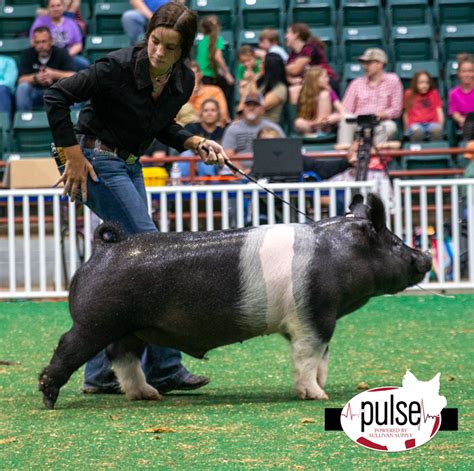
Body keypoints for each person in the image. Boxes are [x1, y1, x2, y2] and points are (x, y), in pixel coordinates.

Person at [44, 2, 229, 395]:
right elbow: (56, 97)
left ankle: (99, 374)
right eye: (154, 41)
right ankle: (165, 368)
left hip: (129, 165)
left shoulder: (183, 82)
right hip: (94, 159)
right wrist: (71, 154)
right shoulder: (115, 66)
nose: (158, 51)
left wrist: (195, 140)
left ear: (184, 51)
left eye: (169, 47)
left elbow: (161, 127)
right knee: (153, 255)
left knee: (125, 266)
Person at [338, 48, 403, 147]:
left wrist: (379, 115)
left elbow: (396, 110)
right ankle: (344, 155)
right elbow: (346, 110)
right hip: (358, 122)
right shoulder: (356, 83)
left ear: (380, 64)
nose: (365, 67)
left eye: (368, 63)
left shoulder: (393, 80)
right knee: (346, 119)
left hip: (380, 122)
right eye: (364, 63)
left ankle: (375, 159)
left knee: (390, 126)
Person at [257, 126, 350, 180]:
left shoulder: (295, 160)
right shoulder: (257, 168)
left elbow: (323, 168)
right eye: (265, 143)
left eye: (274, 142)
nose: (270, 147)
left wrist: (347, 162)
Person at [16, 26, 75, 112]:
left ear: (51, 41)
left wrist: (54, 74)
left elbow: (73, 75)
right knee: (22, 87)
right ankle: (24, 120)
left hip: (57, 91)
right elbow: (21, 79)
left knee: (73, 87)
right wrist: (36, 78)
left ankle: (74, 122)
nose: (41, 46)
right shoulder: (27, 54)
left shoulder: (61, 53)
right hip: (35, 92)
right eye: (37, 42)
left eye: (44, 42)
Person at [221, 93, 284, 168]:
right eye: (248, 105)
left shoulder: (273, 127)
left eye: (255, 105)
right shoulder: (233, 129)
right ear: (243, 108)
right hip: (238, 174)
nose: (251, 108)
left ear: (262, 109)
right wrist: (242, 173)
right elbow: (228, 155)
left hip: (268, 170)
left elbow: (283, 152)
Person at [285, 23, 338, 103]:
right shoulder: (293, 54)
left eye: (288, 33)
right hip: (307, 82)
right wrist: (291, 79)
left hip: (324, 80)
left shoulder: (309, 48)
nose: (286, 36)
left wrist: (280, 67)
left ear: (296, 35)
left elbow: (295, 70)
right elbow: (287, 73)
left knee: (294, 91)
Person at [30, 0, 89, 71]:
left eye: (58, 6)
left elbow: (78, 44)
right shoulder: (40, 21)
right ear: (48, 8)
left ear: (63, 8)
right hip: (45, 56)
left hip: (67, 55)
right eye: (52, 6)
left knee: (84, 64)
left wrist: (65, 55)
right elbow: (33, 42)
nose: (56, 9)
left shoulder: (71, 22)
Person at [178, 98, 227, 177]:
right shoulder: (190, 127)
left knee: (209, 158)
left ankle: (207, 186)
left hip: (217, 164)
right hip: (191, 162)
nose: (209, 113)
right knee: (186, 154)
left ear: (218, 113)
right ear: (201, 113)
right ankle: (184, 186)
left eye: (213, 110)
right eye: (206, 110)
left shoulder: (223, 131)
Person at [195, 15, 234, 112]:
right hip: (209, 77)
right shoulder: (217, 39)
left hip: (202, 76)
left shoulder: (201, 41)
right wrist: (227, 74)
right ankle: (227, 113)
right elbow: (218, 57)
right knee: (230, 84)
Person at [238, 52, 288, 124]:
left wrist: (252, 80)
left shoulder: (281, 88)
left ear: (269, 67)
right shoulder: (263, 82)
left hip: (267, 126)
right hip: (250, 121)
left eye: (262, 63)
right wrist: (249, 81)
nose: (260, 65)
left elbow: (259, 105)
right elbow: (244, 99)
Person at [295, 66, 343, 136]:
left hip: (324, 127)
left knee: (324, 95)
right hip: (310, 127)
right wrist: (310, 123)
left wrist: (331, 92)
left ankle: (317, 135)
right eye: (325, 77)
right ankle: (311, 136)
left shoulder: (327, 93)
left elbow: (342, 112)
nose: (328, 79)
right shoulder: (304, 93)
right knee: (299, 122)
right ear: (316, 80)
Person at [403, 71, 444, 142]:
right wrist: (406, 129)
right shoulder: (408, 94)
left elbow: (439, 111)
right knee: (417, 131)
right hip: (415, 124)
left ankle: (435, 151)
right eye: (421, 83)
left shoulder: (434, 93)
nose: (424, 85)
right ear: (415, 83)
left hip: (431, 123)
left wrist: (440, 125)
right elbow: (406, 113)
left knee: (437, 129)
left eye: (427, 83)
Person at [449, 53, 474, 140]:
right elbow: (455, 113)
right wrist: (462, 120)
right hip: (465, 125)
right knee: (470, 120)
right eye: (464, 71)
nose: (467, 74)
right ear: (459, 74)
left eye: (470, 71)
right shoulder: (454, 93)